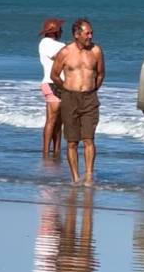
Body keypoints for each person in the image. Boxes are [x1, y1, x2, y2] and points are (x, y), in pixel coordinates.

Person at [50, 18, 105, 185]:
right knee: (72, 141)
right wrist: (65, 87)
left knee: (89, 139)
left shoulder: (96, 51)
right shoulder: (66, 52)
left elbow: (101, 73)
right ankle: (75, 178)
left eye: (91, 32)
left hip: (89, 98)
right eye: (87, 33)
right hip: (70, 98)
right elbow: (54, 74)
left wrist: (93, 89)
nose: (90, 36)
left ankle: (88, 176)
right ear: (76, 34)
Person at [38, 18, 66, 157]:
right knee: (52, 119)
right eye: (60, 29)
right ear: (56, 31)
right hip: (52, 82)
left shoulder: (52, 43)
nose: (62, 31)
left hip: (55, 83)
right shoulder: (47, 43)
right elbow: (60, 58)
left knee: (57, 121)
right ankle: (46, 151)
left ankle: (56, 150)